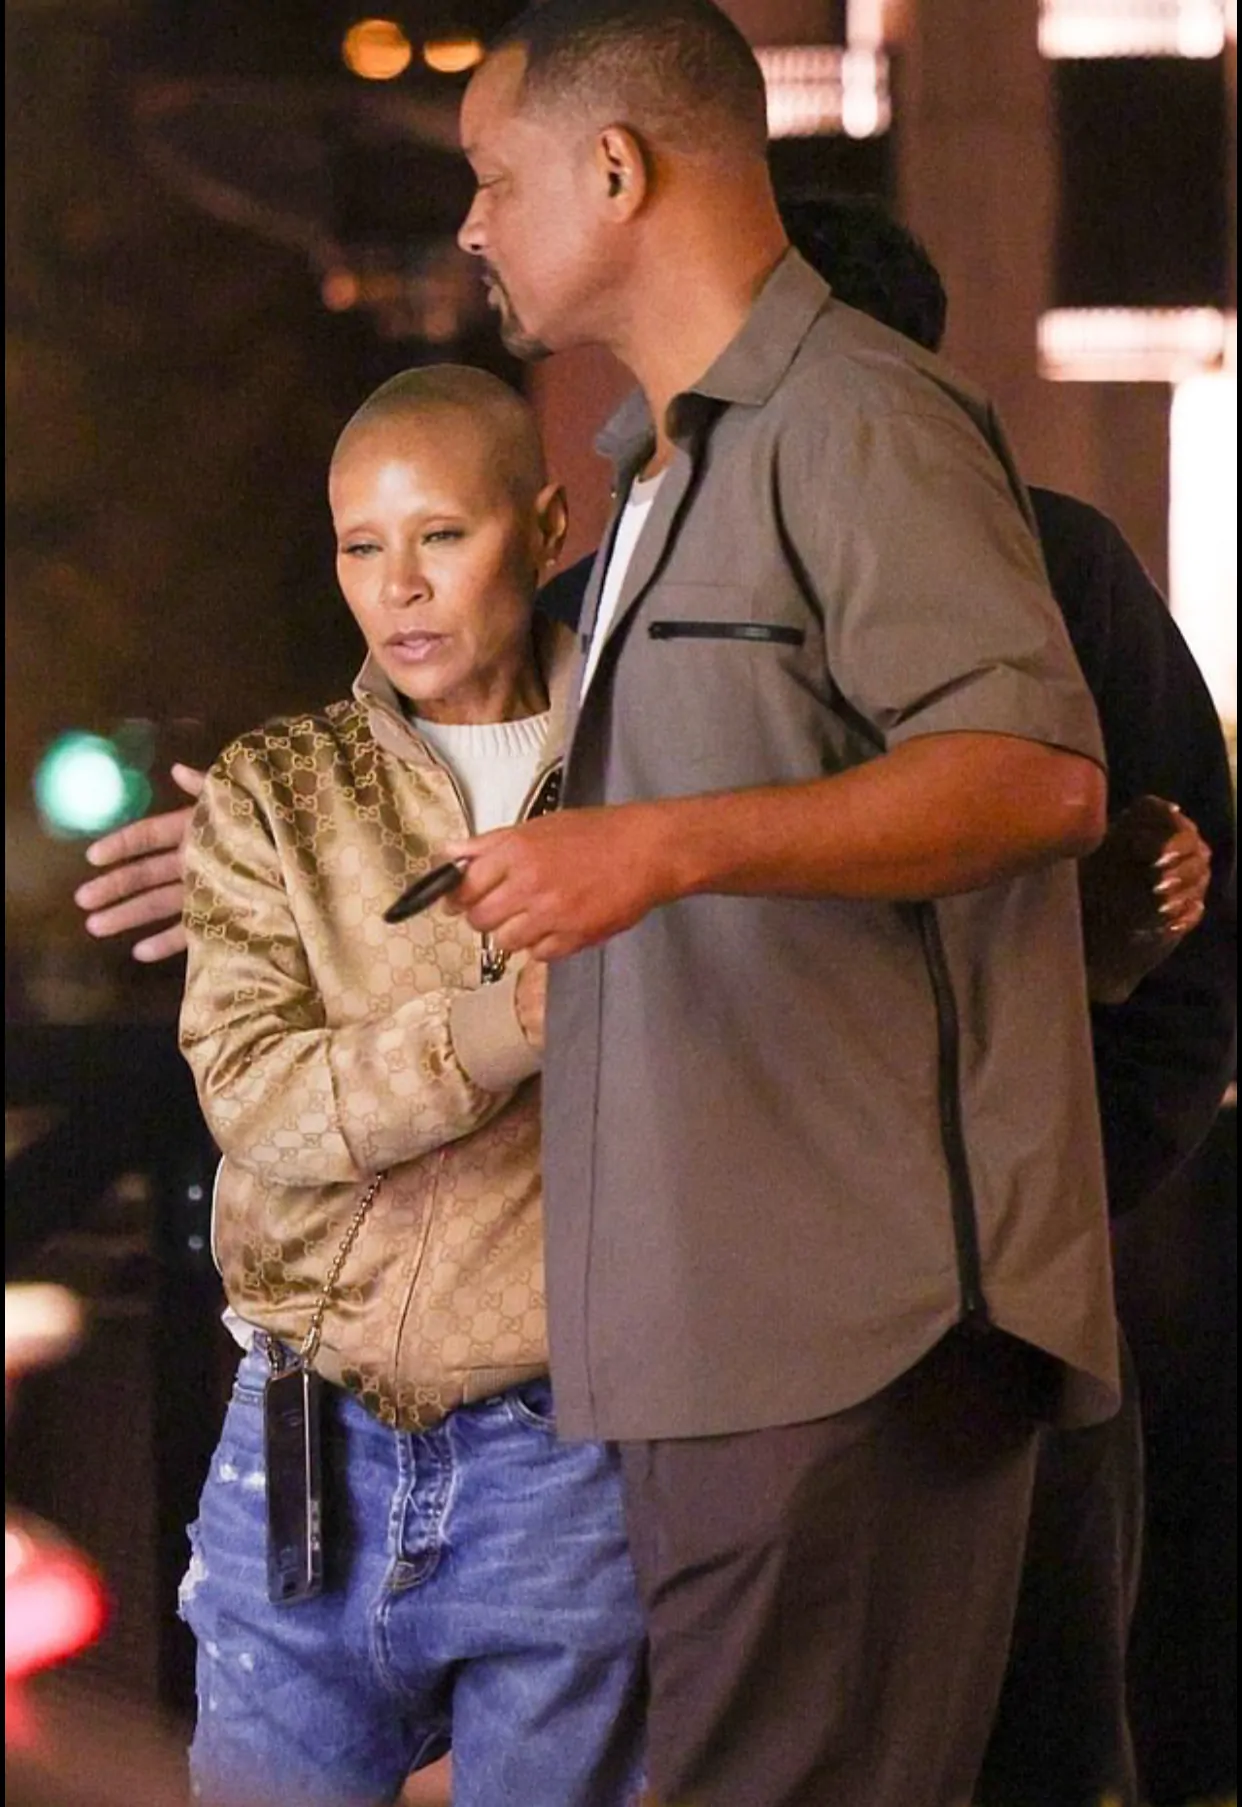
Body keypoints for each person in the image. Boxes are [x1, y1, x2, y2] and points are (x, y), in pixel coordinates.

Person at [434, 5, 1122, 1801]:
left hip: (853, 1337)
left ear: (614, 169)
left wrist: (660, 844)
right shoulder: (658, 467)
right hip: (703, 1335)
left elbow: (1032, 776)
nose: (472, 225)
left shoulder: (859, 418)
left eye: (493, 178)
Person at [781, 193, 1237, 1807]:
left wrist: (1044, 1190)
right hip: (739, 1315)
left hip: (1012, 1302)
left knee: (1038, 1726)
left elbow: (1195, 943)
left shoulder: (1057, 565)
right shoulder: (627, 590)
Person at [171, 363, 646, 1807]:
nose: (400, 587)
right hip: (299, 1442)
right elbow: (255, 1096)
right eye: (360, 546)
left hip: (567, 1450)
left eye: (441, 534)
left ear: (546, 526)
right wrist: (510, 1021)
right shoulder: (278, 788)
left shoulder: (654, 778)